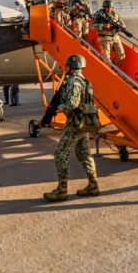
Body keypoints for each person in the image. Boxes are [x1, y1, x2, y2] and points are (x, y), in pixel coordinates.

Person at [43, 55, 99, 201]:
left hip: (75, 123)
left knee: (60, 153)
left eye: (66, 66)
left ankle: (62, 190)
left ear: (71, 67)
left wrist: (58, 108)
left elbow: (71, 105)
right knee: (84, 154)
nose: (65, 68)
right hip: (84, 123)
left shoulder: (73, 82)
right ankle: (93, 185)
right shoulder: (85, 81)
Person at [92, 0, 126, 64]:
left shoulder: (116, 15)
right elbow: (92, 25)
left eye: (110, 8)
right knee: (106, 59)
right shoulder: (99, 14)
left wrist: (120, 28)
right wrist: (103, 26)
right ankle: (109, 68)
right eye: (107, 8)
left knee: (122, 54)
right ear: (104, 8)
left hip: (115, 37)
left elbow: (123, 25)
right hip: (104, 38)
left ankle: (113, 66)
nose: (109, 9)